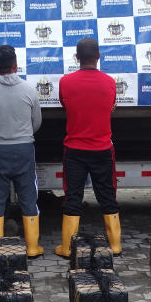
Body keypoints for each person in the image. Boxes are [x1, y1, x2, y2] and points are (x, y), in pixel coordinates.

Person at [54, 37, 122, 257]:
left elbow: (66, 105)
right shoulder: (110, 82)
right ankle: (115, 246)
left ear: (77, 58)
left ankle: (66, 248)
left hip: (74, 150)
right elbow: (111, 106)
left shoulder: (66, 82)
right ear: (98, 57)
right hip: (102, 149)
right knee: (107, 195)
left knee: (72, 197)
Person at [0, 45, 44, 257]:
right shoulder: (29, 90)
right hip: (24, 148)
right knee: (28, 196)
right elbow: (36, 123)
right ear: (15, 65)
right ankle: (33, 248)